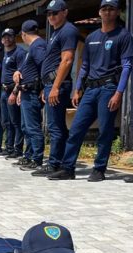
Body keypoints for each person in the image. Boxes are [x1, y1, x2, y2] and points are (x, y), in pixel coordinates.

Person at [49, 0, 133, 182]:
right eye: (104, 8)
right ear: (100, 12)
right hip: (90, 90)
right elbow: (84, 65)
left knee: (105, 130)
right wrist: (78, 89)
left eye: (111, 9)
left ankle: (99, 169)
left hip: (109, 88)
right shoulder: (91, 37)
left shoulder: (123, 35)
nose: (108, 12)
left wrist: (119, 93)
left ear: (118, 12)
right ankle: (68, 168)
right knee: (76, 129)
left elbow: (127, 66)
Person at [30, 0, 79, 177]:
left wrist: (56, 86)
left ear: (65, 12)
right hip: (51, 84)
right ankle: (58, 162)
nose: (51, 17)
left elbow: (66, 60)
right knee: (55, 126)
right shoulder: (55, 32)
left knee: (55, 127)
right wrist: (47, 87)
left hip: (59, 84)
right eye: (49, 14)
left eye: (55, 13)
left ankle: (55, 164)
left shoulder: (68, 31)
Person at [13, 20, 48, 171]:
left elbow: (44, 68)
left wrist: (44, 88)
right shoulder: (33, 48)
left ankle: (37, 159)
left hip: (33, 92)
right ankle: (29, 156)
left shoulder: (38, 46)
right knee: (26, 127)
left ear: (23, 34)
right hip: (26, 91)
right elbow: (29, 69)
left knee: (33, 128)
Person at [0, 28, 28, 159]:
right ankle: (9, 147)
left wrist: (15, 92)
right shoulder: (6, 53)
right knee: (6, 122)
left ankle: (18, 149)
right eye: (4, 37)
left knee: (16, 122)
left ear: (14, 37)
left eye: (9, 36)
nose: (7, 39)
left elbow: (22, 74)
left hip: (13, 91)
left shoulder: (20, 53)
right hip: (4, 91)